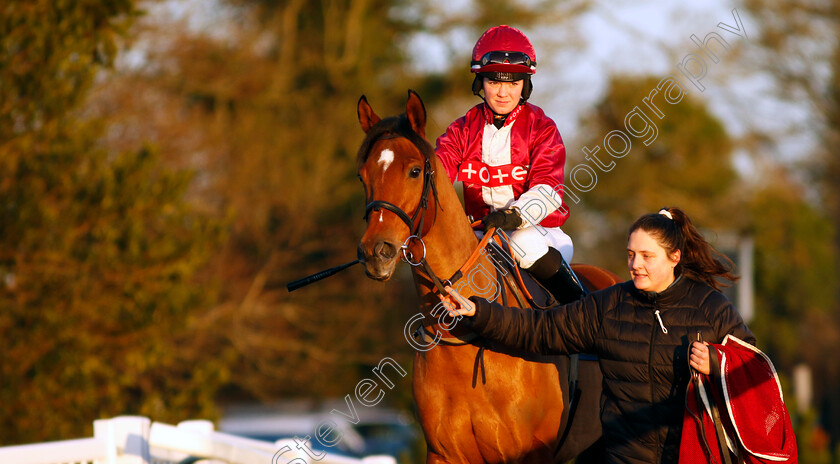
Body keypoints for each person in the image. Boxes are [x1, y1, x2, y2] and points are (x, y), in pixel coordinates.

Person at [439, 206, 756, 463]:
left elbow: (755, 372)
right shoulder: (609, 306)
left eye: (647, 256)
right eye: (631, 254)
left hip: (695, 456)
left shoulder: (711, 309)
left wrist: (718, 362)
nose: (635, 265)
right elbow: (540, 329)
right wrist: (478, 312)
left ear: (675, 257)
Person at [435, 25, 583, 303]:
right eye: (494, 82)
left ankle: (583, 313)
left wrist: (511, 217)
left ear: (525, 85)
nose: (503, 93)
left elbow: (549, 190)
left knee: (521, 243)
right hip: (480, 233)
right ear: (481, 84)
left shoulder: (542, 128)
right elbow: (436, 176)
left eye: (513, 83)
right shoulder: (461, 130)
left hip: (539, 232)